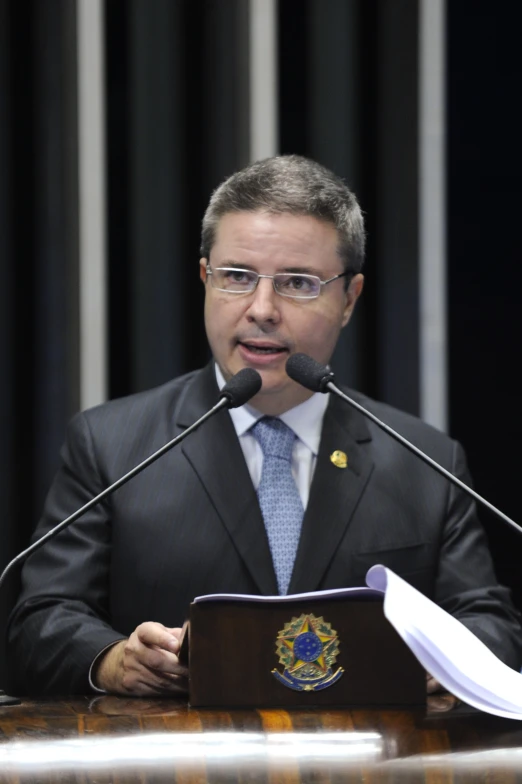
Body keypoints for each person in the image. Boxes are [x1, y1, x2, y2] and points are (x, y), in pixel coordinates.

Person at [7, 155, 522, 696]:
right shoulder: (112, 445)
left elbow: (491, 622)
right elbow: (40, 620)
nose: (262, 309)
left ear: (349, 299)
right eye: (236, 276)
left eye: (298, 282)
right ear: (205, 278)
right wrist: (112, 659)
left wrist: (440, 658)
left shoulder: (425, 462)